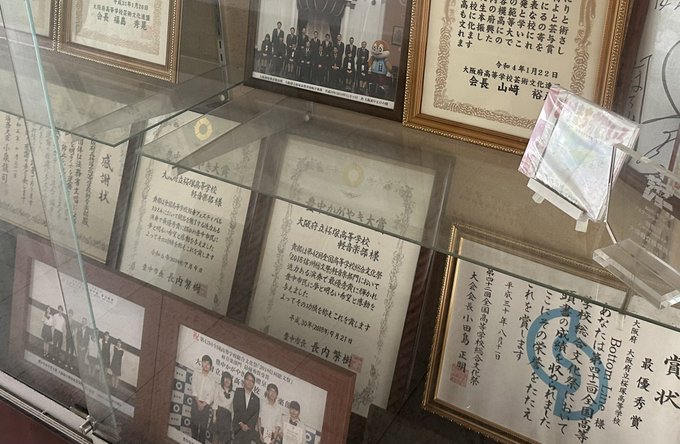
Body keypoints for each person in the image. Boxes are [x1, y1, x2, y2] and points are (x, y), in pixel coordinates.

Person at [191, 355, 217, 444]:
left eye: (208, 364)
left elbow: (211, 395)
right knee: (194, 427)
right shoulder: (196, 373)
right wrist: (198, 403)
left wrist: (203, 404)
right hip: (195, 403)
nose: (206, 365)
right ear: (201, 363)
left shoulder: (212, 380)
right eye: (204, 362)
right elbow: (194, 388)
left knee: (203, 429)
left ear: (211, 367)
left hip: (205, 406)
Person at [232, 371, 259, 444]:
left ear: (253, 384)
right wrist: (241, 424)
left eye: (252, 381)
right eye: (248, 379)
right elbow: (235, 409)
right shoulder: (238, 391)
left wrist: (247, 426)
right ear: (244, 380)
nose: (250, 382)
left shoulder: (256, 399)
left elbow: (255, 416)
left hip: (248, 430)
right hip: (237, 427)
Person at [211, 371, 234, 444]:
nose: (227, 380)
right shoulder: (219, 388)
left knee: (223, 440)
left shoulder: (233, 393)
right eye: (225, 378)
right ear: (222, 379)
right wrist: (214, 416)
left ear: (231, 381)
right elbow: (215, 401)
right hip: (219, 414)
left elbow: (232, 409)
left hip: (227, 418)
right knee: (216, 437)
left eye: (229, 379)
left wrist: (232, 422)